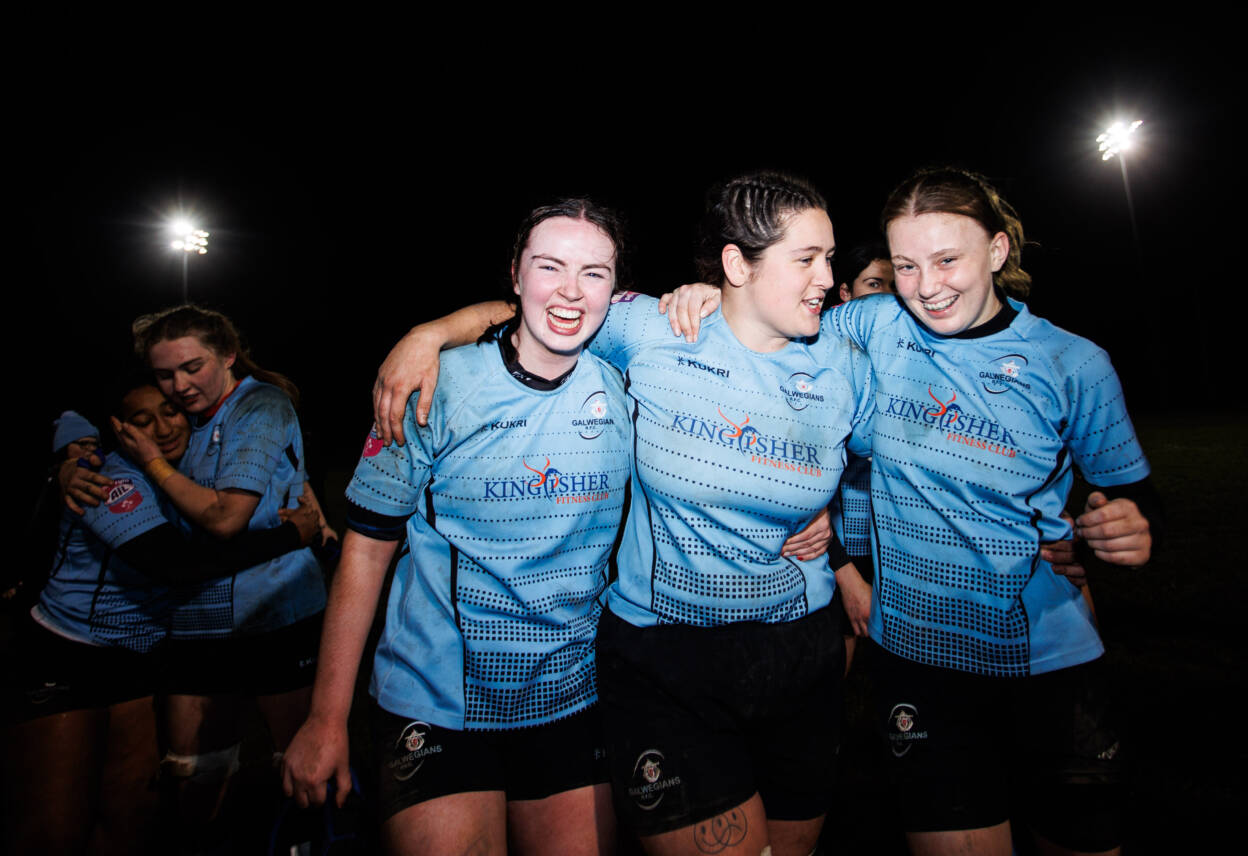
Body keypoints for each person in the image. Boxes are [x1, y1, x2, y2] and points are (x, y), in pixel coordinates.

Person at [370, 174, 871, 856]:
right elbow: (543, 312)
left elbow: (906, 471)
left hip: (798, 654)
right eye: (806, 257)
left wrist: (839, 542)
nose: (826, 276)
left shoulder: (846, 363)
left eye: (829, 257)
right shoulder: (654, 328)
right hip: (665, 654)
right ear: (736, 264)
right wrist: (431, 332)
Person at [660, 167, 1156, 856]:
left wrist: (1120, 528)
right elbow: (768, 313)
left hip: (1050, 663)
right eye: (906, 266)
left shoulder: (1073, 364)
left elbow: (1125, 492)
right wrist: (709, 293)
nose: (927, 286)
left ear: (997, 250)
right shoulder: (871, 325)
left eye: (947, 260)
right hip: (918, 662)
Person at [282, 199, 634, 855]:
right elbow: (364, 554)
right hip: (437, 699)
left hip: (571, 696)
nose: (569, 290)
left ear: (617, 289)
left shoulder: (625, 389)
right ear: (514, 275)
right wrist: (327, 719)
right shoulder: (434, 386)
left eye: (594, 273)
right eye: (548, 266)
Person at [2, 376, 319, 856]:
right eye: (141, 420)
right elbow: (176, 565)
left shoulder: (187, 475)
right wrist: (290, 538)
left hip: (138, 660)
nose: (160, 428)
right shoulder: (108, 476)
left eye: (169, 412)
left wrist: (312, 516)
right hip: (66, 658)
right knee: (55, 831)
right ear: (121, 429)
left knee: (129, 819)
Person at [110, 306, 329, 842]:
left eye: (192, 367)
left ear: (227, 355)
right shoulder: (183, 420)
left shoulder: (260, 403)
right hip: (194, 618)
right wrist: (70, 451)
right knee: (192, 774)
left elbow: (227, 518)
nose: (179, 385)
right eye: (165, 375)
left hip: (278, 610)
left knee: (298, 768)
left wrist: (152, 464)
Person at [828, 243, 894, 670]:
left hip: (894, 542)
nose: (886, 296)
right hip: (840, 543)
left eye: (892, 285)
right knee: (843, 646)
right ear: (846, 294)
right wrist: (845, 572)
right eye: (874, 285)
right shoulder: (825, 361)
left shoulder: (909, 358)